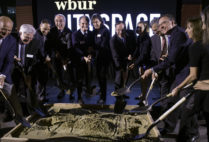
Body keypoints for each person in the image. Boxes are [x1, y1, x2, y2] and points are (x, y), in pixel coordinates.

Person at [142, 14, 196, 136]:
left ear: (172, 22)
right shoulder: (174, 34)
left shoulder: (179, 34)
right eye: (160, 26)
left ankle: (192, 132)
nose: (161, 28)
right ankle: (169, 128)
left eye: (163, 24)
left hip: (186, 73)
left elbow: (172, 59)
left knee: (184, 105)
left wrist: (152, 70)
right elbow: (175, 55)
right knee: (174, 101)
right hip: (180, 73)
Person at [171, 12, 209, 141]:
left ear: (196, 29)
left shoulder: (195, 47)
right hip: (202, 88)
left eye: (189, 27)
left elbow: (193, 76)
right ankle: (193, 134)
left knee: (187, 115)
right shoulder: (204, 45)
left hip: (202, 89)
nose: (186, 30)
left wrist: (178, 88)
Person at [0, 16, 30, 127]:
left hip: (4, 75)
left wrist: (2, 76)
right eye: (3, 29)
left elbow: (9, 61)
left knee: (14, 101)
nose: (6, 32)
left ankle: (20, 124)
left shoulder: (11, 40)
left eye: (9, 30)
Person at [12, 24, 46, 117]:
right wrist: (12, 57)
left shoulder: (35, 42)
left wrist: (29, 74)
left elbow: (35, 59)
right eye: (27, 38)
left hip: (29, 69)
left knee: (29, 90)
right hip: (13, 70)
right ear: (20, 33)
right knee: (15, 91)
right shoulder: (11, 39)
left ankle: (30, 111)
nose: (29, 40)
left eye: (31, 38)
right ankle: (14, 112)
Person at [45, 14, 73, 99]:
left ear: (65, 22)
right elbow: (48, 45)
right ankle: (62, 91)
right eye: (57, 21)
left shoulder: (69, 32)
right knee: (58, 75)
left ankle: (71, 92)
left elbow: (69, 46)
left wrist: (66, 59)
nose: (59, 23)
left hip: (66, 57)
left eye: (61, 21)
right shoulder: (51, 31)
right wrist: (54, 53)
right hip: (55, 57)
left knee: (68, 76)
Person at [150, 18, 171, 113]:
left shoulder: (171, 35)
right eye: (153, 31)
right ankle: (165, 114)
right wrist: (154, 70)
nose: (155, 32)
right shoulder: (153, 39)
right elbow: (153, 56)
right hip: (162, 71)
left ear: (161, 26)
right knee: (164, 92)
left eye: (156, 29)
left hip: (175, 69)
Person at [72, 15, 94, 104]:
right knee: (79, 80)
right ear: (79, 24)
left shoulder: (91, 34)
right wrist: (83, 57)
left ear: (88, 24)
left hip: (89, 60)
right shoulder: (75, 34)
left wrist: (90, 54)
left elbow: (92, 46)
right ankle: (79, 97)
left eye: (86, 23)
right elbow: (75, 48)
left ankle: (88, 91)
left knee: (89, 78)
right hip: (79, 61)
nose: (84, 25)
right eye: (82, 23)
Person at [128, 21, 151, 105]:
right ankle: (142, 95)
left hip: (145, 62)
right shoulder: (139, 38)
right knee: (142, 80)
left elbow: (144, 55)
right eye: (137, 27)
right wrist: (133, 57)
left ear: (145, 29)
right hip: (140, 62)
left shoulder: (146, 39)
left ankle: (144, 99)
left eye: (140, 27)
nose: (138, 29)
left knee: (144, 80)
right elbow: (137, 50)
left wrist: (135, 63)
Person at [110, 21, 136, 93]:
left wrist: (131, 55)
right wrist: (120, 68)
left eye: (122, 30)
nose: (121, 32)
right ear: (115, 29)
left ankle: (122, 94)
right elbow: (115, 56)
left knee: (125, 81)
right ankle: (118, 98)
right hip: (118, 63)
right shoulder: (113, 40)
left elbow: (133, 47)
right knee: (118, 81)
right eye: (118, 30)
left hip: (128, 63)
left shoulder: (130, 36)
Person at [91, 13, 111, 104]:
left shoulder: (105, 31)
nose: (95, 24)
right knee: (99, 77)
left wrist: (93, 48)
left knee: (102, 78)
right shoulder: (94, 31)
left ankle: (103, 97)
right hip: (97, 58)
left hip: (104, 59)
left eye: (97, 22)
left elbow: (102, 45)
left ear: (101, 21)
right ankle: (101, 92)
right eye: (93, 22)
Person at [34, 19, 51, 101]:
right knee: (40, 82)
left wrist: (47, 56)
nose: (46, 31)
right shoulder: (36, 35)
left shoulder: (45, 35)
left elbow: (45, 49)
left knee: (44, 80)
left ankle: (43, 98)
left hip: (44, 62)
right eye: (44, 29)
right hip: (38, 63)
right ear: (40, 26)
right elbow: (37, 50)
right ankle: (39, 100)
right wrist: (44, 58)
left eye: (48, 29)